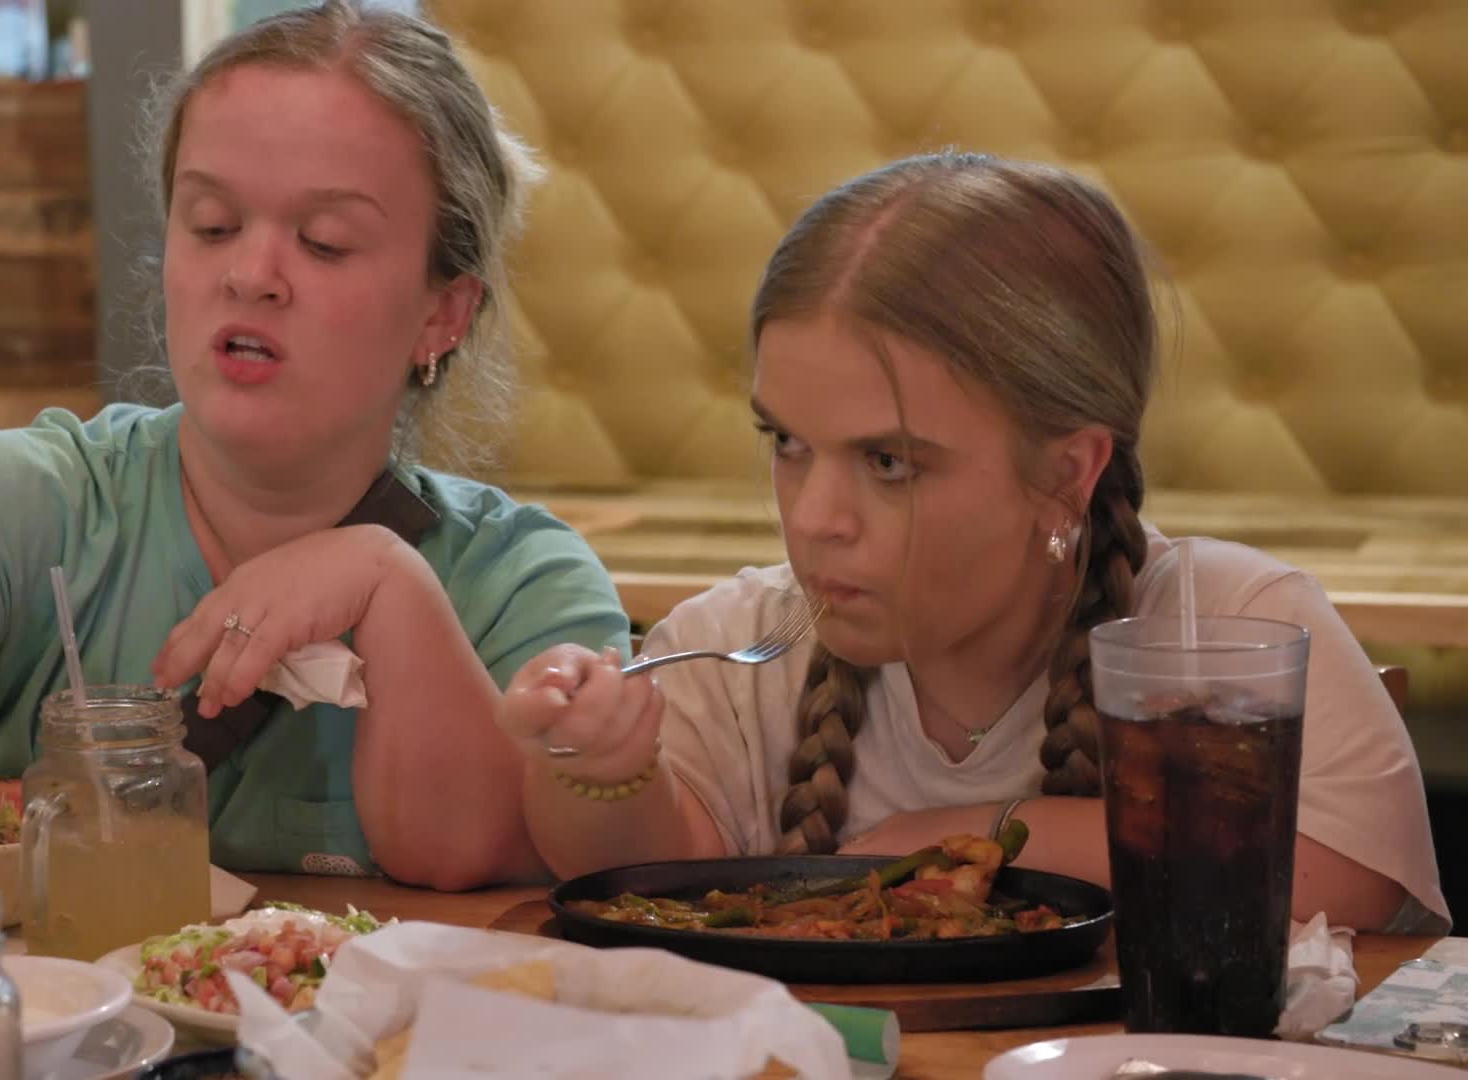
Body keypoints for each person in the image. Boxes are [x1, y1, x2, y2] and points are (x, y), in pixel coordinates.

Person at [0, 0, 631, 891]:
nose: (251, 274)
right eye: (212, 225)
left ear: (443, 313)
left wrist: (389, 585)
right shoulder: (56, 498)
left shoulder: (520, 583)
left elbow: (480, 855)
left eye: (325, 241)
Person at [498, 151, 1448, 933]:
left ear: (1066, 473)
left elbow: (1348, 883)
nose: (814, 517)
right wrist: (600, 771)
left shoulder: (1229, 629)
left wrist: (979, 828)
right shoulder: (744, 643)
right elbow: (645, 877)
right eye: (787, 443)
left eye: (889, 462)